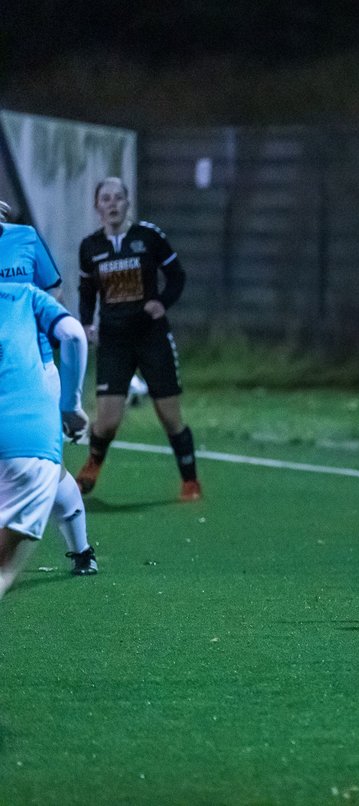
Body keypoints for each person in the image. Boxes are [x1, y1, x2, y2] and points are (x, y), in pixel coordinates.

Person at [74, 178, 202, 501]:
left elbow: (177, 276)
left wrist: (163, 302)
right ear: (97, 206)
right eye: (106, 199)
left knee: (170, 417)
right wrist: (87, 323)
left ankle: (190, 481)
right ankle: (92, 465)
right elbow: (87, 291)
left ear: (128, 203)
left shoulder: (149, 237)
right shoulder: (90, 247)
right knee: (106, 422)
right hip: (114, 341)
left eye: (119, 198)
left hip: (151, 337)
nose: (113, 204)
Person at [0, 202, 98, 574]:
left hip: (32, 367)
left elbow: (53, 292)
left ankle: (81, 549)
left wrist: (28, 322)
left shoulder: (24, 239)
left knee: (42, 464)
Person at [0, 282, 90, 600]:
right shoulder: (25, 294)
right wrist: (70, 405)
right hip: (27, 437)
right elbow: (74, 334)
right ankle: (82, 550)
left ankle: (82, 550)